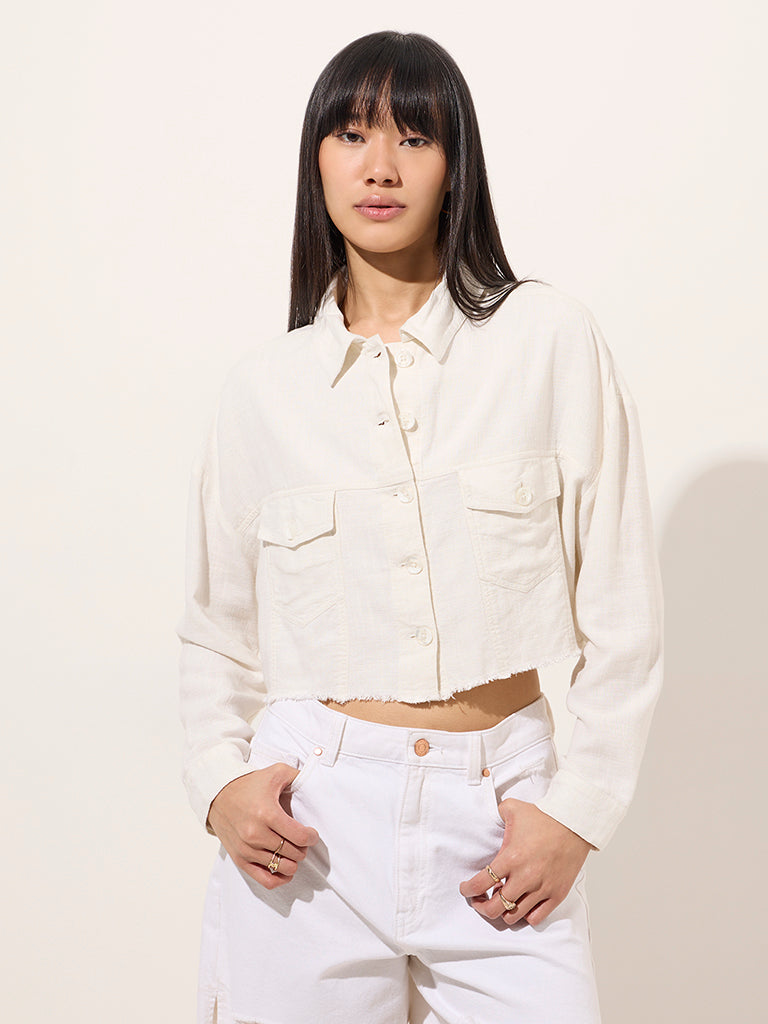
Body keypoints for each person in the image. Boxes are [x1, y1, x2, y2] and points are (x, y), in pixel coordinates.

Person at [176, 29, 663, 1024]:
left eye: (414, 137)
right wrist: (222, 785)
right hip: (309, 827)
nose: (381, 167)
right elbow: (214, 631)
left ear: (456, 164)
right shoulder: (263, 391)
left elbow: (623, 610)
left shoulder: (547, 342)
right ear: (316, 161)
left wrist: (577, 813)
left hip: (501, 819)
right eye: (352, 135)